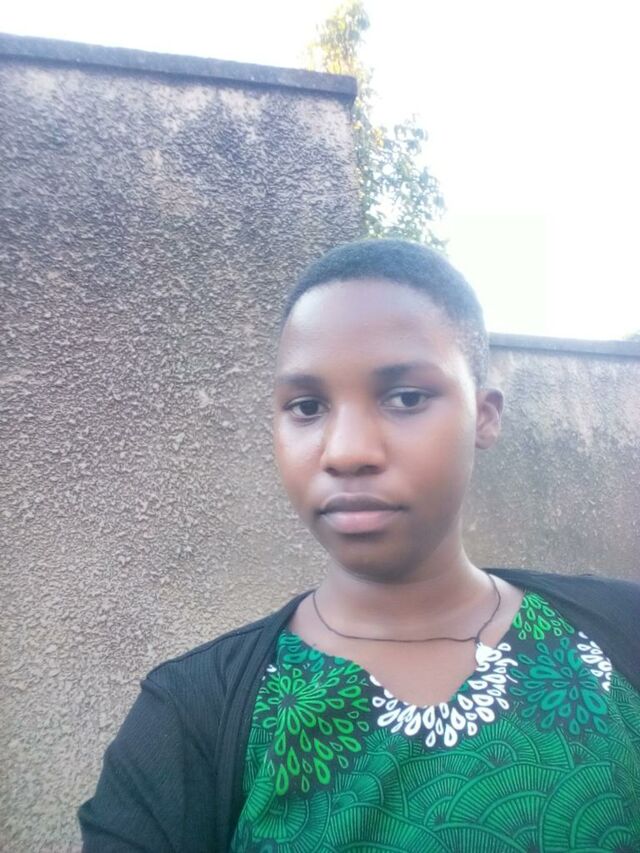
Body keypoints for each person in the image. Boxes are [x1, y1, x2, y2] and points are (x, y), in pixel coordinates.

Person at [79, 239, 640, 852]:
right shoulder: (188, 716)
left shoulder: (621, 635)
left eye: (406, 398)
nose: (346, 451)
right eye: (307, 407)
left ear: (484, 416)